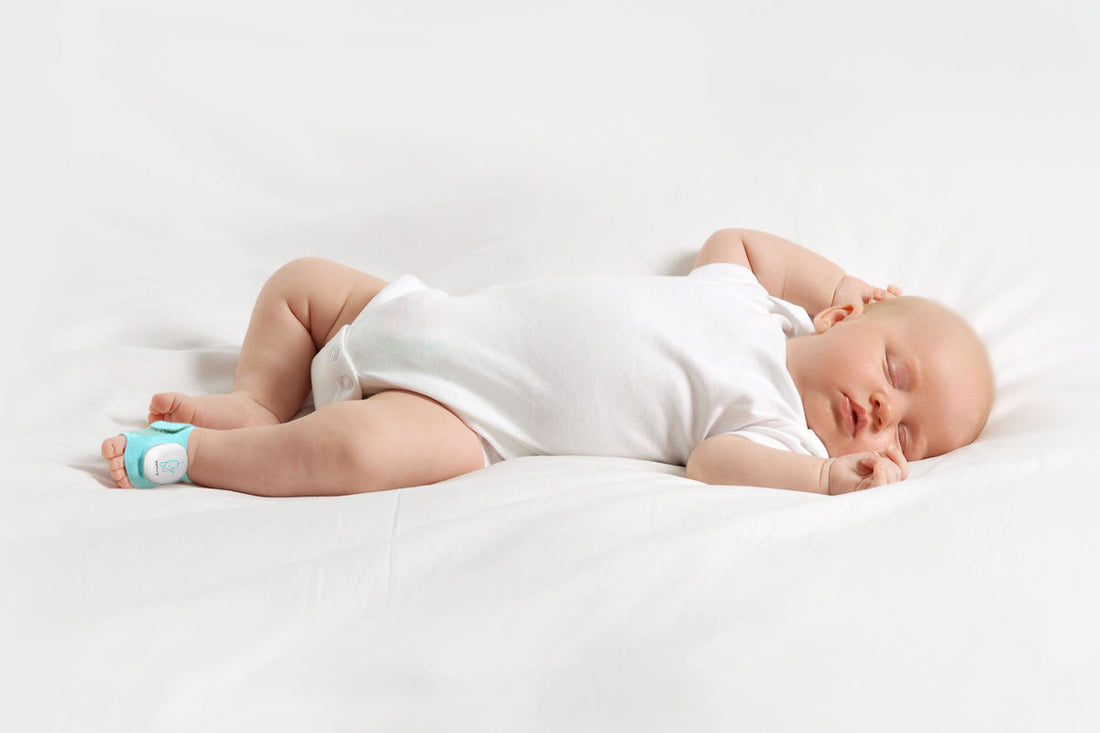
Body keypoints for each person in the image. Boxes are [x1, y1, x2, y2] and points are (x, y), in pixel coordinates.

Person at [101, 228, 994, 497]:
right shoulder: (748, 302)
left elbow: (714, 463)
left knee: (358, 455)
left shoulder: (775, 430)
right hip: (427, 317)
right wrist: (841, 276)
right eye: (896, 372)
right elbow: (738, 239)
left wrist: (831, 480)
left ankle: (206, 456)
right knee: (299, 282)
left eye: (913, 430)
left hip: (473, 420)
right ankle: (259, 400)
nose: (884, 409)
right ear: (845, 314)